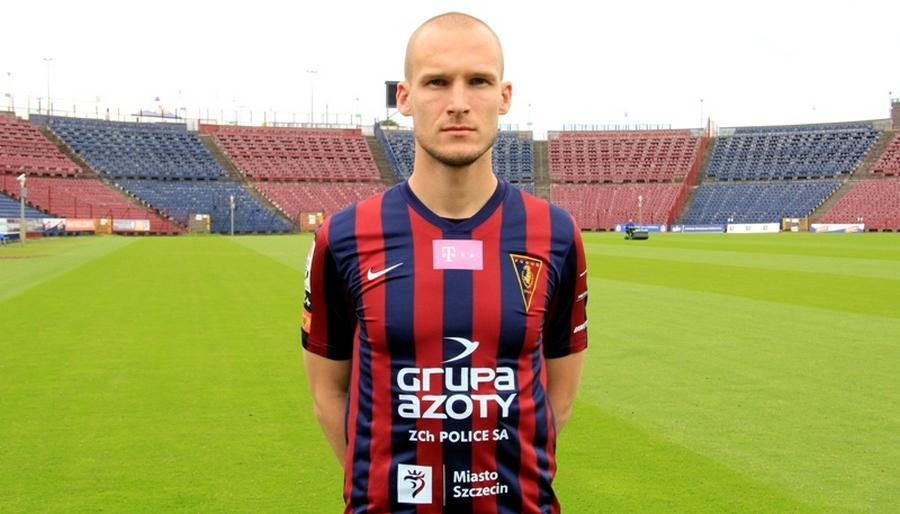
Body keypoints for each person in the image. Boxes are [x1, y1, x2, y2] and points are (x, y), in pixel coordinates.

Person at [302, 12, 588, 513]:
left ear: (504, 96)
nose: (458, 103)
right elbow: (329, 394)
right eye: (437, 82)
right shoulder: (344, 237)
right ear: (405, 97)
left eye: (478, 81)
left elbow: (557, 401)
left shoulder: (556, 235)